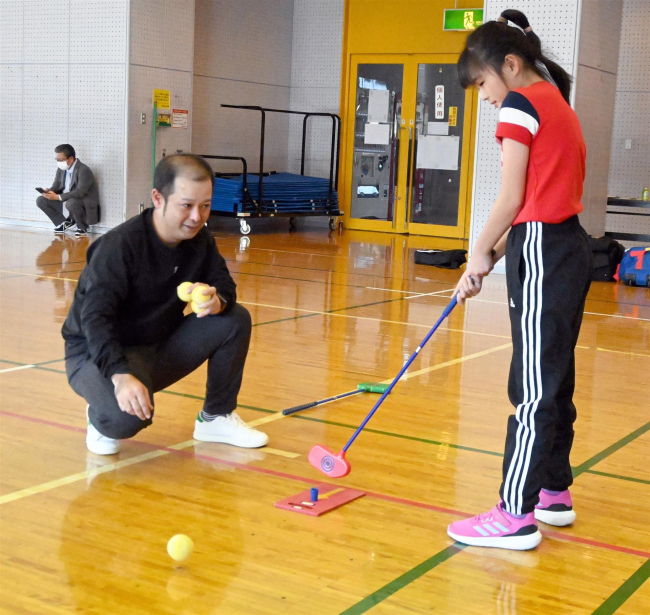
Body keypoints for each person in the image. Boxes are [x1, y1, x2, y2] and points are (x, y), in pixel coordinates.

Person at [446, 10, 592, 550]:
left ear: (509, 65)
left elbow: (510, 200)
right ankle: (553, 490)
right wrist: (490, 255)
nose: (484, 97)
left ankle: (513, 513)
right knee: (555, 374)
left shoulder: (520, 105)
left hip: (544, 253)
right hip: (567, 247)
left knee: (533, 388)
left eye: (483, 82)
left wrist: (478, 250)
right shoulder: (559, 104)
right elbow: (538, 206)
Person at [62, 153, 268, 455]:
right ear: (158, 198)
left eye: (206, 205)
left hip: (155, 344)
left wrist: (216, 300)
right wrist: (120, 377)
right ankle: (100, 413)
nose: (197, 217)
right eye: (187, 205)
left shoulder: (200, 240)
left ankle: (215, 417)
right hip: (94, 352)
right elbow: (96, 319)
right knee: (125, 418)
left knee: (234, 318)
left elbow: (225, 286)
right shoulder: (119, 247)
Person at [36, 144, 100, 237]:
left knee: (71, 202)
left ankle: (82, 226)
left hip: (81, 201)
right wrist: (50, 191)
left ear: (70, 159)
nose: (58, 162)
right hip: (66, 199)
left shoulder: (83, 170)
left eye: (61, 160)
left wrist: (58, 197)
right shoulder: (61, 169)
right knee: (41, 200)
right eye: (57, 159)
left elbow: (79, 193)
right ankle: (66, 222)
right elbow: (56, 185)